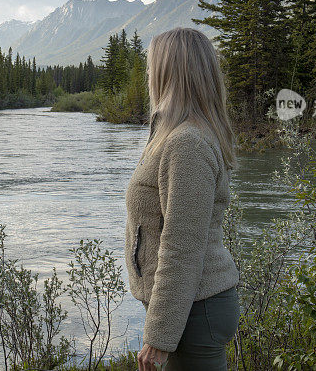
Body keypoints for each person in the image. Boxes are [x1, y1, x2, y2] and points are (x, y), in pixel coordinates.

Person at [124, 27, 240, 371]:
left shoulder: (186, 144)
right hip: (189, 308)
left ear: (169, 74)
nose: (147, 74)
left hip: (194, 311)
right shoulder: (177, 136)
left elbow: (182, 245)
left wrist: (159, 336)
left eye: (152, 66)